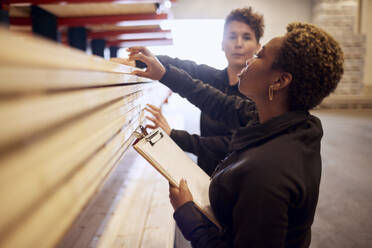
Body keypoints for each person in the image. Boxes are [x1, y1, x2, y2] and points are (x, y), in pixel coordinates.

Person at [127, 22, 344, 247]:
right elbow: (218, 102)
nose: (249, 58)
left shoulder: (266, 174)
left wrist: (186, 213)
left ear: (279, 81)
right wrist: (164, 73)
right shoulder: (290, 123)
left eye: (259, 55)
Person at [115, 7, 264, 176]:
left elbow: (231, 145)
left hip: (237, 183)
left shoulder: (259, 97)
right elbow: (184, 66)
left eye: (246, 37)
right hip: (205, 176)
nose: (238, 43)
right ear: (222, 44)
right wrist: (139, 61)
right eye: (232, 36)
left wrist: (175, 135)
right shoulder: (214, 78)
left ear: (258, 47)